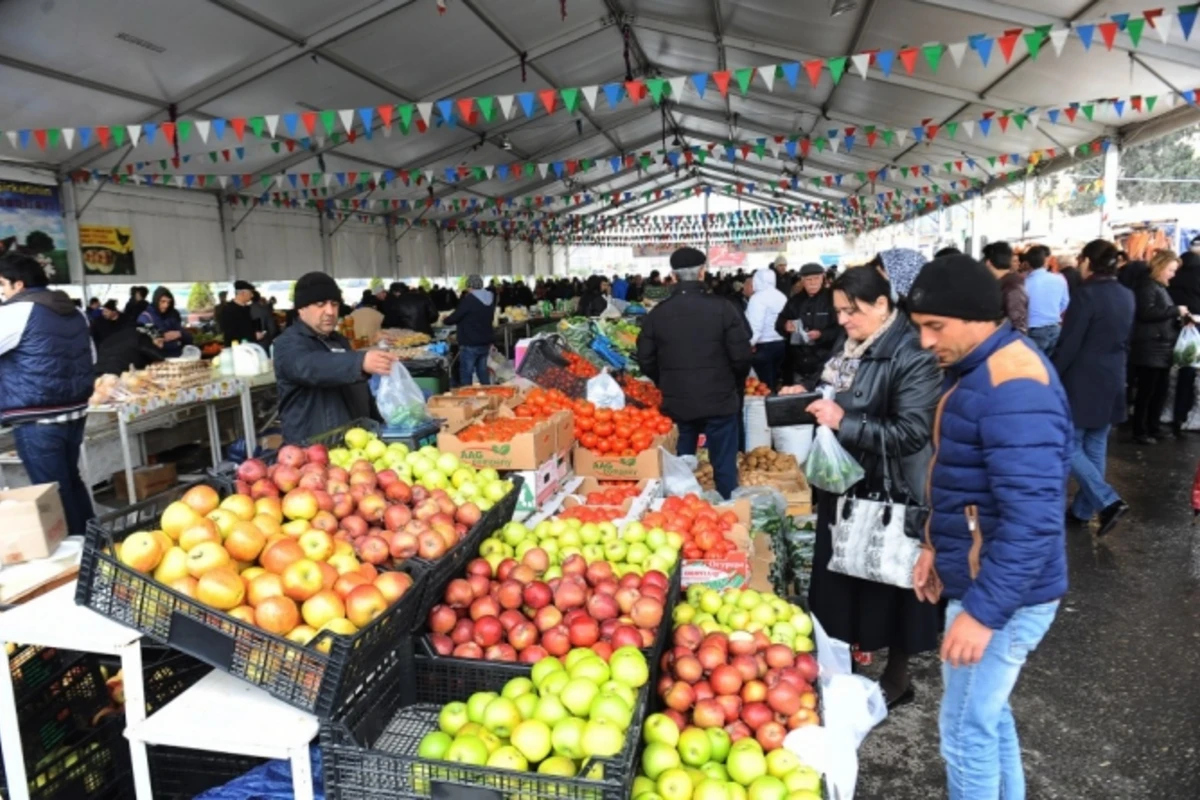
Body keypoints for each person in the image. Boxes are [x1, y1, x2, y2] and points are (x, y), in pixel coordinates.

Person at [907, 255, 1072, 800]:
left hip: (1003, 595)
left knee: (964, 731)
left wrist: (981, 613)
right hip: (985, 582)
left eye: (936, 327)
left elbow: (1034, 519)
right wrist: (936, 546)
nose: (927, 342)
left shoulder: (1014, 384)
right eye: (919, 328)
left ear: (978, 317)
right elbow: (965, 485)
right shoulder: (981, 370)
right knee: (987, 716)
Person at [797, 265, 941, 707]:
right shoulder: (853, 342)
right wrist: (805, 392)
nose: (842, 321)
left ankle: (898, 679)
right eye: (838, 311)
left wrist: (845, 421)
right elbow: (835, 385)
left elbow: (912, 433)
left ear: (882, 304)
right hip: (845, 481)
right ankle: (844, 671)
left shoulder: (913, 353)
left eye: (850, 311)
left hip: (890, 490)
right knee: (841, 580)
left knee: (891, 579)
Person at [636, 247, 751, 499]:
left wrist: (665, 380)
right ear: (702, 274)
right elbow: (742, 356)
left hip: (678, 402)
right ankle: (727, 511)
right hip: (720, 400)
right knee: (723, 464)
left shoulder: (658, 314)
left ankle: (682, 511)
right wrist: (732, 381)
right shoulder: (724, 308)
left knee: (681, 464)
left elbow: (645, 359)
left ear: (673, 277)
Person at [0, 252, 96, 535]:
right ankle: (95, 546)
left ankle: (78, 559)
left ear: (18, 285)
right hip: (75, 411)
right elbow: (91, 355)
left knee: (53, 491)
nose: (1, 293)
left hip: (38, 418)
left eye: (2, 286)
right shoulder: (74, 311)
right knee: (71, 481)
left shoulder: (17, 311)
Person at [1053, 240, 1135, 535]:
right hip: (1113, 375)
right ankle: (1083, 510)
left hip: (1082, 378)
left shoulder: (1086, 295)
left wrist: (1051, 375)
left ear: (1087, 261)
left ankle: (1108, 500)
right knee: (1096, 445)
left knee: (1068, 444)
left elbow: (1070, 343)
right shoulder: (1126, 294)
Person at [273, 272, 396, 443]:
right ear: (301, 308)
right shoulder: (287, 344)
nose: (330, 311)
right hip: (311, 449)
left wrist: (379, 424)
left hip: (351, 442)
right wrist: (359, 361)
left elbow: (357, 389)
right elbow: (310, 367)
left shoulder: (338, 340)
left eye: (334, 304)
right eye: (320, 304)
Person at [1130, 249, 1188, 444]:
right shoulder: (1148, 286)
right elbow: (1146, 312)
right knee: (1147, 391)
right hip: (1150, 346)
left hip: (1160, 346)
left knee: (1158, 390)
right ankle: (1141, 430)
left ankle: (1152, 427)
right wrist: (1175, 310)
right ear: (1161, 267)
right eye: (1171, 270)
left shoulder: (1158, 287)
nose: (1173, 274)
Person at [775, 263, 839, 388]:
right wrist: (785, 325)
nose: (813, 283)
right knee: (801, 401)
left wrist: (821, 334)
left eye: (816, 279)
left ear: (823, 278)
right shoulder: (794, 301)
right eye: (808, 280)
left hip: (826, 363)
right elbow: (779, 322)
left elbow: (841, 329)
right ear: (802, 281)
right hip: (799, 363)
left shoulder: (832, 299)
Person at [1168, 251, 1200, 434]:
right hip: (1196, 327)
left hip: (1173, 325)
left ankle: (1169, 414)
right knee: (1189, 371)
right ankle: (1182, 415)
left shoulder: (1175, 275)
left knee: (1172, 371)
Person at [445, 274, 495, 386]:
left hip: (470, 342)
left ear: (469, 286)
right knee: (482, 371)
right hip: (485, 341)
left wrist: (446, 320)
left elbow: (456, 316)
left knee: (466, 372)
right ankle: (488, 394)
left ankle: (466, 396)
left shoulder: (470, 299)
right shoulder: (490, 297)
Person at [745, 267, 787, 390]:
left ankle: (768, 408)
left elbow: (755, 326)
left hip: (763, 347)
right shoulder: (781, 296)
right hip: (780, 344)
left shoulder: (757, 298)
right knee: (775, 382)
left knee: (764, 386)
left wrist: (749, 344)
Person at [1024, 246, 1070, 356]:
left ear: (1027, 263)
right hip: (1055, 328)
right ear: (1046, 261)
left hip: (1033, 330)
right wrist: (1052, 312)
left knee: (1035, 368)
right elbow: (1065, 302)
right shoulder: (1059, 279)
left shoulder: (1024, 284)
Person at [982, 242, 1027, 334]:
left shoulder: (1011, 287)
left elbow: (1018, 326)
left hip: (1006, 343)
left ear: (988, 262)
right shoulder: (1005, 282)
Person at [137, 287, 191, 358]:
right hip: (157, 360)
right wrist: (176, 343)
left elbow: (189, 338)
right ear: (156, 301)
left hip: (177, 357)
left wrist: (179, 334)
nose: (166, 305)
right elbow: (143, 345)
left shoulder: (171, 315)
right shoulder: (145, 318)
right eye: (162, 301)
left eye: (168, 302)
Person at [95, 324, 165, 376]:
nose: (161, 346)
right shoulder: (143, 338)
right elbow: (156, 355)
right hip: (114, 371)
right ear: (151, 336)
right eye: (159, 341)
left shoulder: (132, 332)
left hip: (99, 369)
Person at [219, 280, 265, 346]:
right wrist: (253, 336)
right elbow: (229, 333)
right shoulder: (228, 310)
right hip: (236, 349)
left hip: (250, 347)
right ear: (243, 293)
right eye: (250, 293)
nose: (252, 296)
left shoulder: (247, 308)